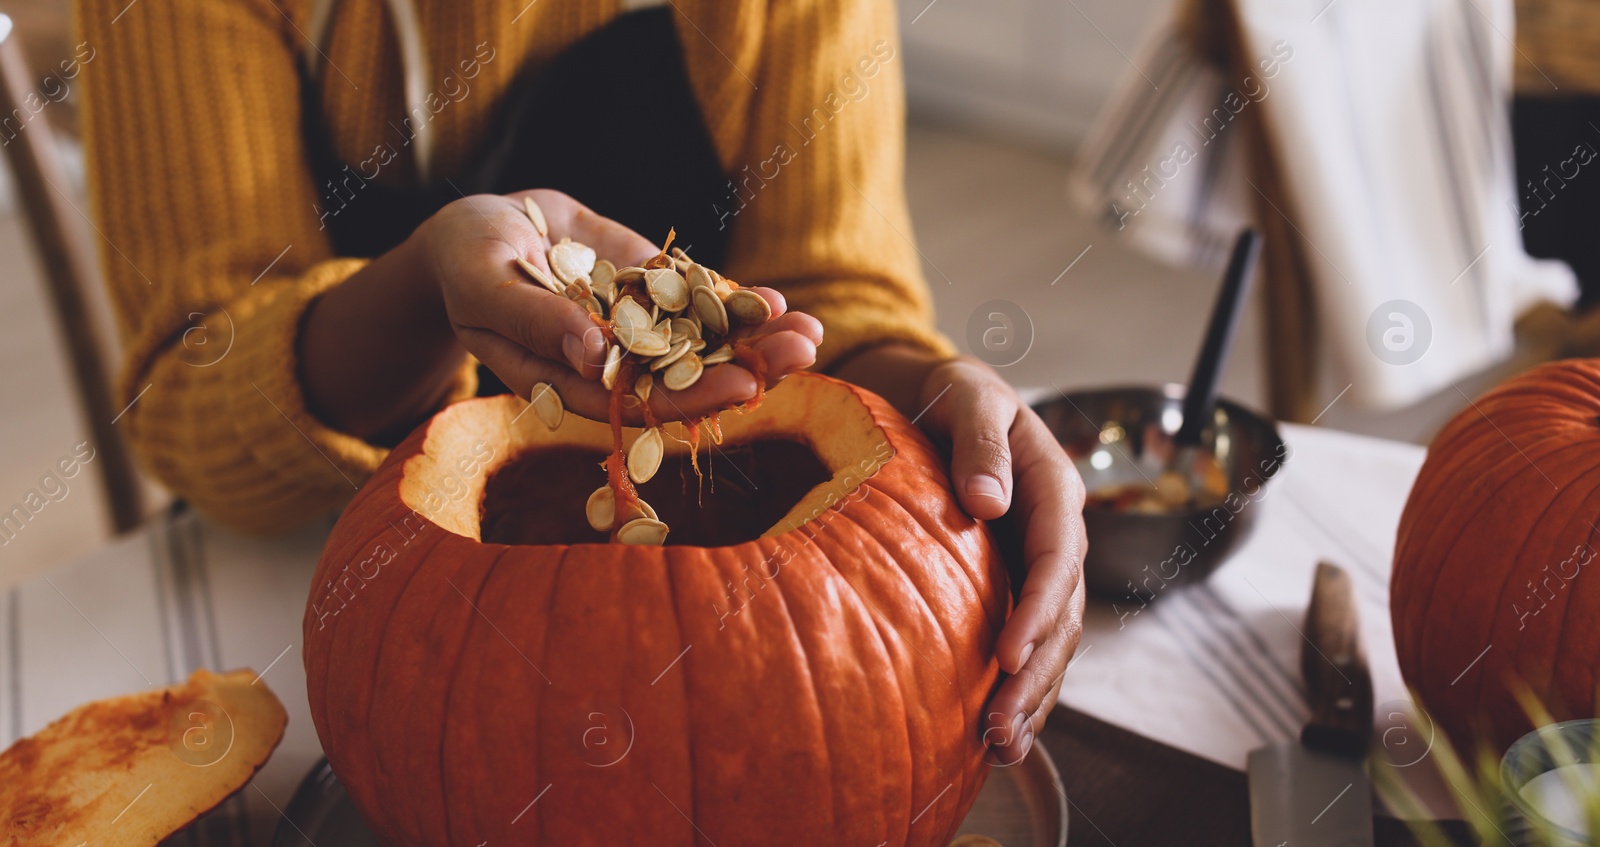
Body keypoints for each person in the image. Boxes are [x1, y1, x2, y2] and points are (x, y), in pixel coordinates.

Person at [77, 0, 1085, 760]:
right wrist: (428, 284)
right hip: (322, 596)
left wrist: (936, 388)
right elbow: (186, 385)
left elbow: (826, 300)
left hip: (736, 636)